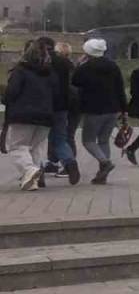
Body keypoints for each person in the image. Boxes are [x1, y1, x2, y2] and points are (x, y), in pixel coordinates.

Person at [4, 42, 58, 191]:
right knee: (35, 148)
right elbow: (56, 94)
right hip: (46, 116)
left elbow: (11, 93)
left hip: (23, 115)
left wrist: (5, 99)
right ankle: (31, 181)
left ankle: (30, 170)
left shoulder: (20, 71)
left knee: (17, 147)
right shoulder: (50, 73)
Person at [72, 38, 126, 184]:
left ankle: (104, 162)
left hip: (93, 109)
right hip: (113, 108)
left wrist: (78, 65)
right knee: (103, 140)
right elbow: (120, 87)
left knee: (88, 140)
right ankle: (103, 174)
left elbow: (75, 82)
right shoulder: (113, 66)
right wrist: (123, 108)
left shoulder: (84, 68)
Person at [41, 38, 80, 184]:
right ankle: (70, 162)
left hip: (44, 106)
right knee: (60, 139)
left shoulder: (43, 62)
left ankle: (37, 171)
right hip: (63, 105)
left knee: (36, 142)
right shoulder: (67, 64)